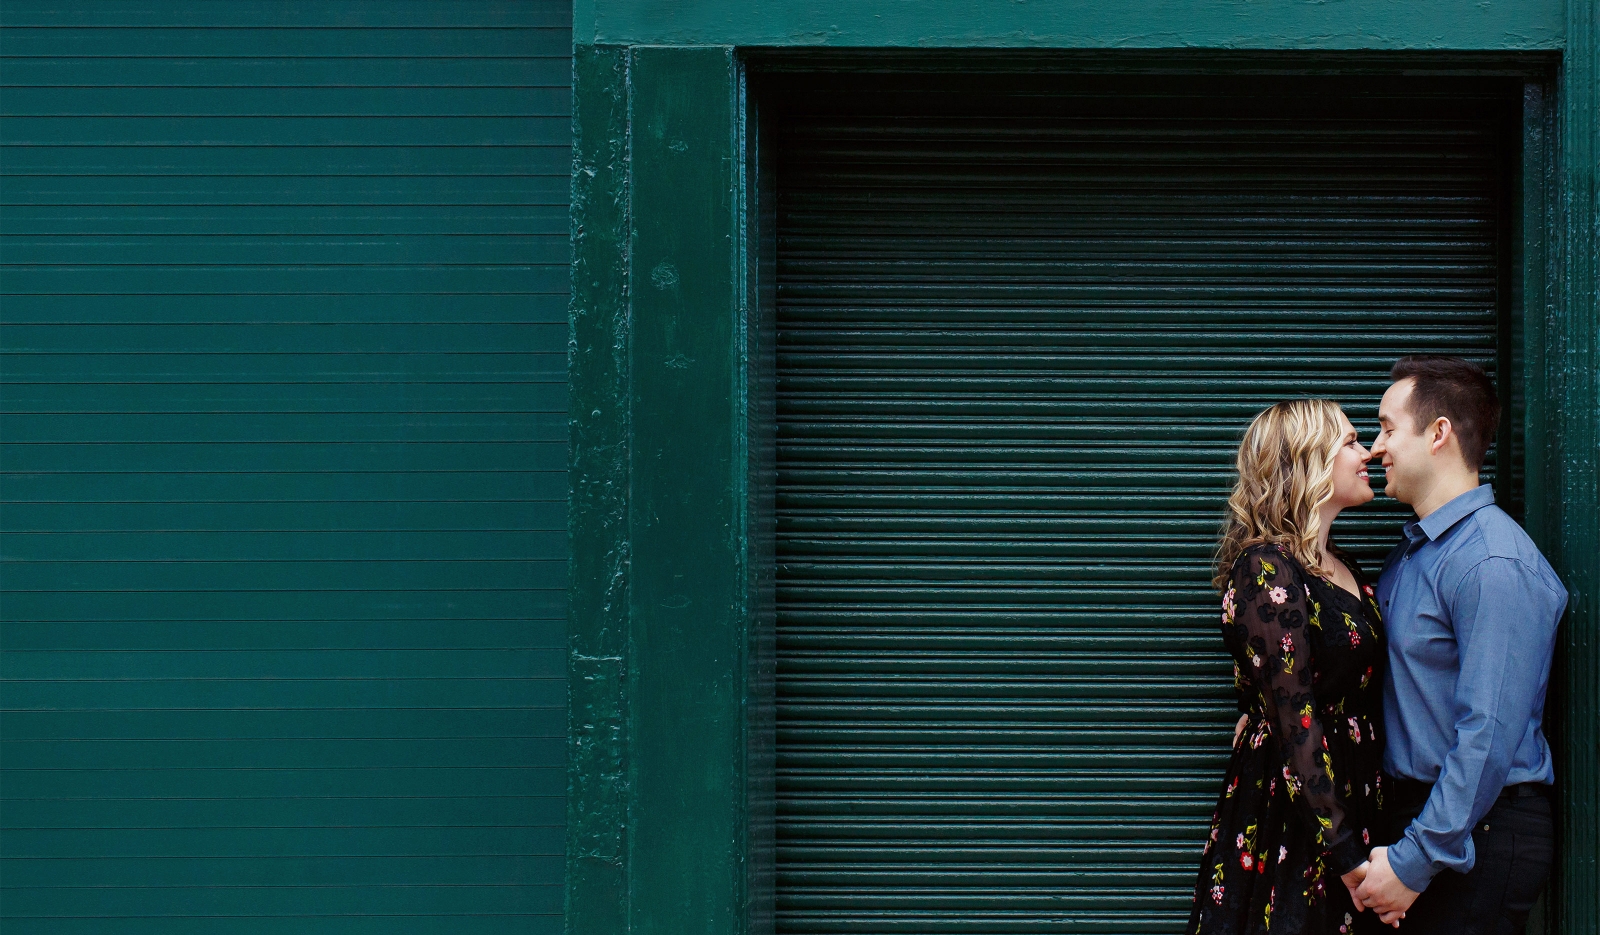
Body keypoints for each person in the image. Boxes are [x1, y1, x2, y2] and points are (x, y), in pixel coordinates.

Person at [1353, 356, 1566, 933]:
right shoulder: (1417, 553)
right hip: (1428, 821)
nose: (1375, 447)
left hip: (1476, 833)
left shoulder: (1492, 562)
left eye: (1388, 427)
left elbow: (1487, 735)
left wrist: (1415, 860)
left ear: (1439, 433)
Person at [1188, 399, 1388, 935]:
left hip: (1355, 794)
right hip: (1297, 814)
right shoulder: (1267, 569)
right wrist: (1344, 853)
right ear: (1308, 460)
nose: (1368, 453)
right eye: (1350, 442)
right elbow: (1293, 713)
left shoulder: (1343, 566)